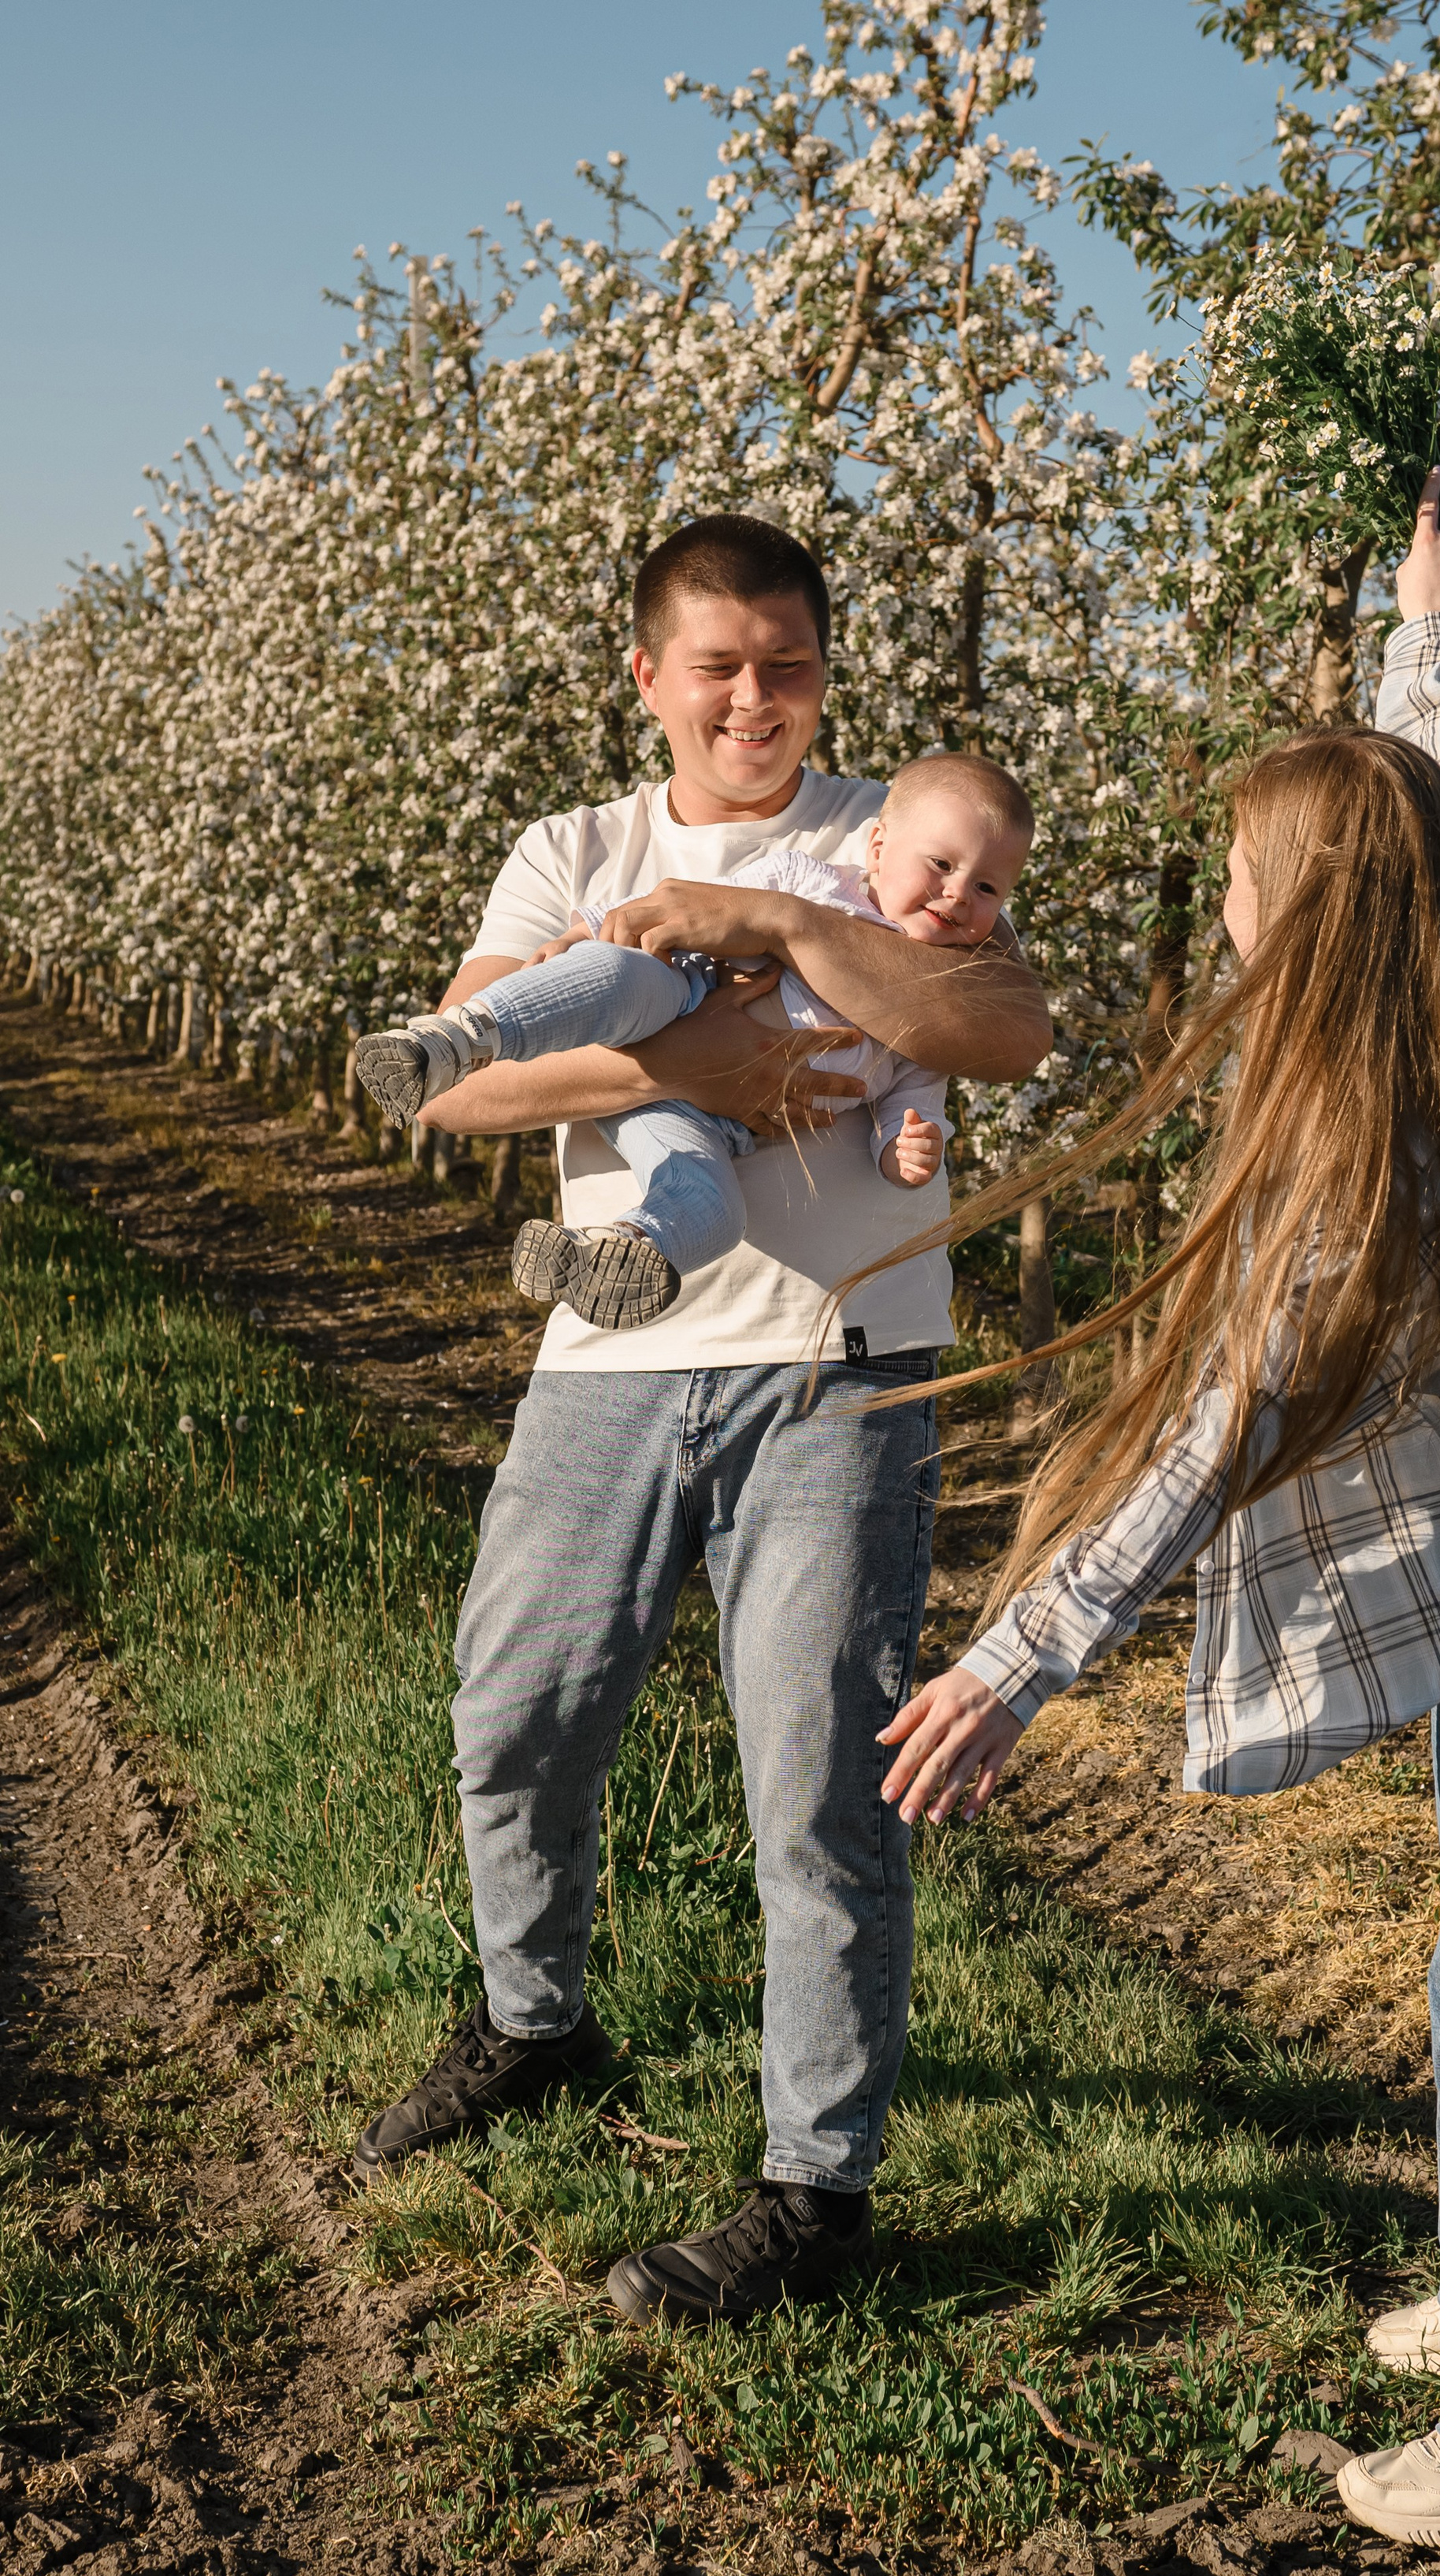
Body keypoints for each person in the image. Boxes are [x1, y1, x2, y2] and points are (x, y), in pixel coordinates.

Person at [874, 471, 1440, 2548]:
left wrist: (1014, 1653)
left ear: (1315, 917)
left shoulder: (1353, 1166)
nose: (1221, 911)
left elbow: (1195, 1441)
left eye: (1245, 882)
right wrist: (1430, 626)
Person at [348, 515, 1052, 2334]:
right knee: (516, 1708)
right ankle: (534, 2018)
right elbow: (463, 1073)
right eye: (720, 663)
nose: (756, 696)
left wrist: (782, 922)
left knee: (813, 1776)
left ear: (827, 671)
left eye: (790, 662)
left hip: (834, 1359)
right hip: (606, 1357)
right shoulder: (573, 850)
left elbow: (1000, 1020)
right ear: (648, 673)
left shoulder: (900, 833)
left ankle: (814, 2187)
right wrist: (689, 1071)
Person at [350, 752, 1032, 1329]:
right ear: (878, 848)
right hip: (687, 990)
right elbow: (685, 909)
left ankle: (611, 1251)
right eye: (940, 865)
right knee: (618, 973)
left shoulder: (945, 991)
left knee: (713, 1208)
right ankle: (460, 1037)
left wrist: (905, 1149)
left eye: (987, 888)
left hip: (712, 1129)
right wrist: (584, 932)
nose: (957, 895)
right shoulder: (811, 882)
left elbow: (917, 1102)